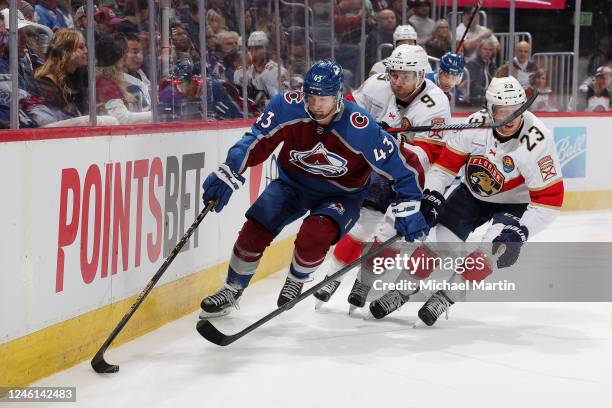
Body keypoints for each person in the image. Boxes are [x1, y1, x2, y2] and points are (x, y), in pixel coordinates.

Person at [198, 59, 430, 318]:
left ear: (338, 95)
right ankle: (231, 289)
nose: (316, 105)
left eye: (324, 98)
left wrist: (409, 206)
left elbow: (402, 166)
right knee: (255, 227)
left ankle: (296, 279)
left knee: (314, 235)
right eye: (311, 97)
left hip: (341, 194)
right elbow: (256, 140)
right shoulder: (287, 106)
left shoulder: (360, 126)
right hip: (292, 184)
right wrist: (230, 169)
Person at [383, 77, 564, 325]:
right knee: (437, 245)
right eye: (502, 111)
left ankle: (446, 297)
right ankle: (402, 289)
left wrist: (520, 232)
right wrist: (433, 194)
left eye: (517, 110)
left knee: (491, 250)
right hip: (472, 194)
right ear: (490, 109)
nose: (510, 119)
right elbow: (444, 167)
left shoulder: (538, 140)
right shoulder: (473, 125)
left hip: (514, 204)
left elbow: (550, 200)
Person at [312, 46, 450, 312]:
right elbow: (344, 111)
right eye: (393, 74)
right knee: (363, 224)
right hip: (377, 165)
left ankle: (365, 281)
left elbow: (426, 157)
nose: (396, 82)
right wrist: (366, 129)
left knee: (392, 233)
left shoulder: (436, 104)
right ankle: (332, 277)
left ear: (421, 75)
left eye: (405, 76)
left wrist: (392, 141)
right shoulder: (377, 84)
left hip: (413, 174)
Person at [465, 38, 497, 105]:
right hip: (475, 97)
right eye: (485, 49)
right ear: (479, 50)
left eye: (490, 50)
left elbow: (495, 82)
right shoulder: (472, 63)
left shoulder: (492, 65)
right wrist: (489, 93)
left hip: (488, 96)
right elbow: (473, 85)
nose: (487, 52)